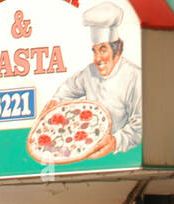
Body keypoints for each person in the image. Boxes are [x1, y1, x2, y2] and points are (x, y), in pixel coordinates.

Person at [39, 1, 142, 159]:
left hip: (120, 156)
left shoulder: (134, 77)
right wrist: (56, 100)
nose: (97, 59)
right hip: (85, 143)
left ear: (118, 49)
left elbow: (141, 124)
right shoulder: (89, 73)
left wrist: (116, 141)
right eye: (94, 51)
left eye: (103, 50)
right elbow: (69, 87)